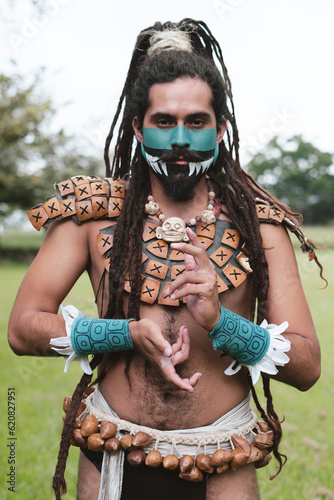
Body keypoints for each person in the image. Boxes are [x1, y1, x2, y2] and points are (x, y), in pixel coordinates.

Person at [8, 19, 323, 500]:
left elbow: (306, 366)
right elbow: (22, 327)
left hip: (223, 459)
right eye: (163, 121)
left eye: (196, 122)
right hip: (112, 454)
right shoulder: (93, 217)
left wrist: (223, 323)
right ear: (138, 127)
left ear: (219, 128)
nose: (180, 140)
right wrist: (123, 333)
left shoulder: (260, 226)